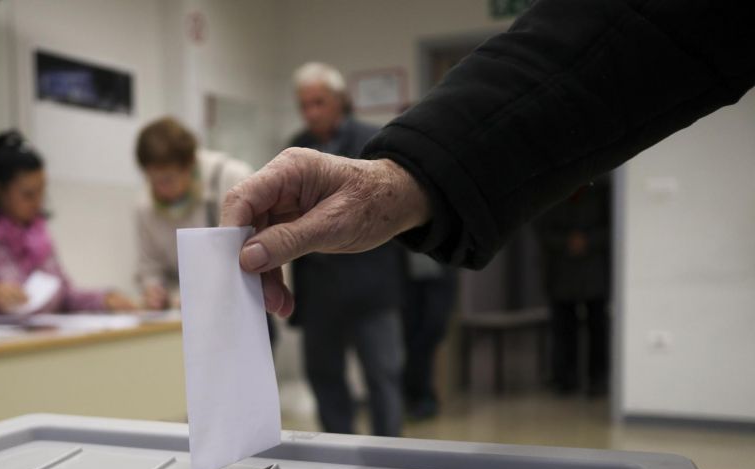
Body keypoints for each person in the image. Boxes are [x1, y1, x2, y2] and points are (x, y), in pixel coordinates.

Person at [221, 0, 754, 322]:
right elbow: (629, 29)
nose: (309, 111)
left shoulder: (363, 134)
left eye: (319, 100)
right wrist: (398, 179)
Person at [286, 62, 405, 437]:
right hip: (319, 291)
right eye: (305, 105)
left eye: (319, 103)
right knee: (324, 377)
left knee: (383, 376)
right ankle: (338, 457)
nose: (312, 113)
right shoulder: (294, 150)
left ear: (340, 101)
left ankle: (391, 458)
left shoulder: (375, 143)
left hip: (372, 286)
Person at [0, 130, 135, 323]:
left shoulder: (39, 236)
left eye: (42, 192)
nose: (38, 202)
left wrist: (103, 300)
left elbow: (64, 294)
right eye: (28, 194)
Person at [134, 116, 253, 310]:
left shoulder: (233, 179)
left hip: (239, 305)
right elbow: (150, 268)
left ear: (190, 164)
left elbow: (258, 251)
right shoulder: (144, 206)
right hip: (186, 312)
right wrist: (154, 290)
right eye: (153, 181)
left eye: (168, 180)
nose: (160, 190)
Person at [534, 177, 611, 396]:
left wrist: (588, 241)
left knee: (598, 328)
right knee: (563, 329)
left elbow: (613, 227)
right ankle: (565, 378)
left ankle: (598, 378)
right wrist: (566, 242)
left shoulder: (601, 191)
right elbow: (540, 228)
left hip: (594, 272)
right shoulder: (552, 191)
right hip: (560, 273)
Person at [401, 252, 456, 419]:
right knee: (409, 334)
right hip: (407, 278)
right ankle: (418, 396)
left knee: (433, 329)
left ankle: (422, 393)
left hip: (439, 274)